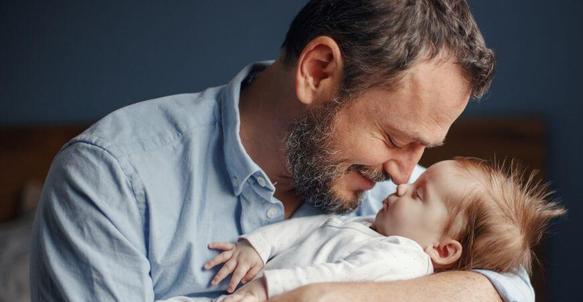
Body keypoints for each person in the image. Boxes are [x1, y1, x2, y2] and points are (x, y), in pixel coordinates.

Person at [28, 0, 544, 301]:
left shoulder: (404, 202)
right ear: (318, 71)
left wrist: (327, 295)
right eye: (393, 139)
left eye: (422, 149)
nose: (404, 174)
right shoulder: (112, 177)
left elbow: (507, 286)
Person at [204, 158, 565, 302]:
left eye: (418, 193)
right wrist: (257, 246)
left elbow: (332, 281)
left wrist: (265, 288)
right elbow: (304, 229)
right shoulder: (374, 225)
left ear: (442, 250)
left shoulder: (401, 259)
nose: (401, 183)